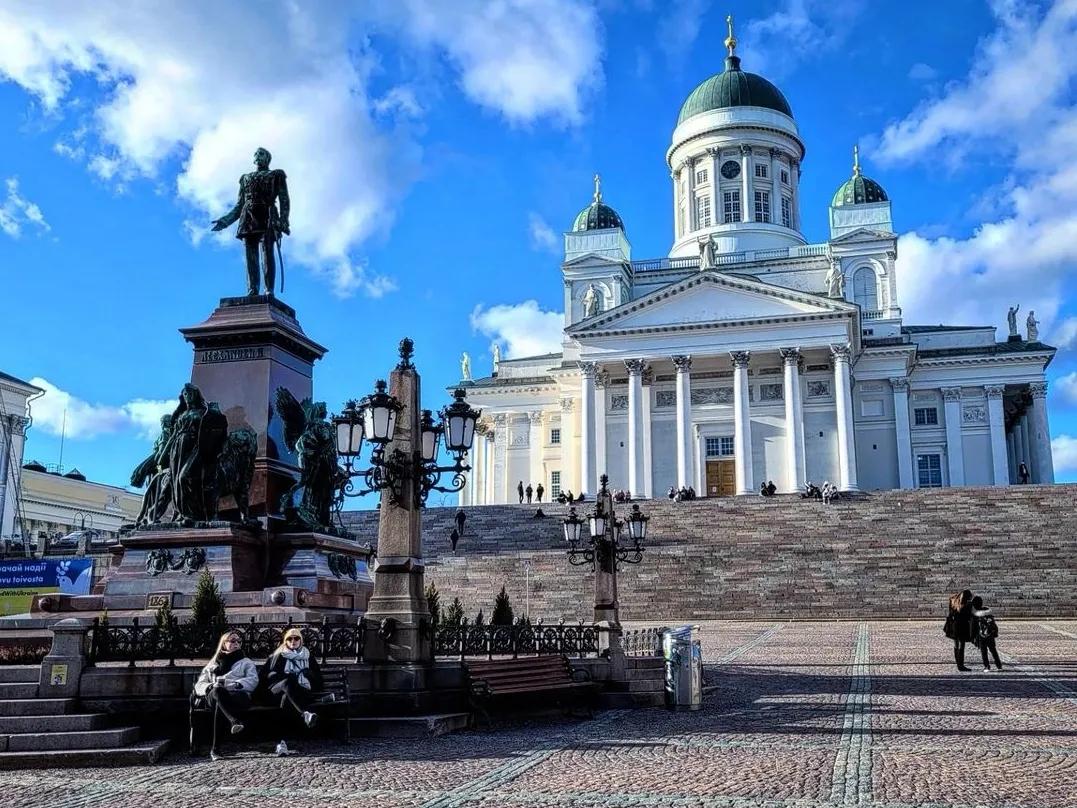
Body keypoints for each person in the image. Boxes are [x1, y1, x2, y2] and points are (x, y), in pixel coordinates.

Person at [211, 147, 290, 297]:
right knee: (250, 255)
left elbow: (284, 199)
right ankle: (252, 289)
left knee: (267, 252)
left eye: (261, 154)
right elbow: (240, 204)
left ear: (267, 158)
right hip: (248, 216)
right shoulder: (245, 178)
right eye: (256, 154)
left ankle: (268, 289)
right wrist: (225, 221)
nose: (257, 156)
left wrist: (283, 221)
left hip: (267, 215)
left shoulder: (276, 175)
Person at [192, 631, 259, 758]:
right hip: (214, 694)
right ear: (223, 644)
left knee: (220, 703)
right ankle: (234, 721)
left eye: (239, 641)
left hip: (236, 695)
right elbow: (199, 684)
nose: (237, 644)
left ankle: (215, 750)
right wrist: (211, 686)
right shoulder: (213, 663)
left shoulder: (246, 661)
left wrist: (235, 684)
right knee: (218, 691)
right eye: (233, 641)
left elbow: (253, 680)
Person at [263, 628, 323, 729]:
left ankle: (286, 733)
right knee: (288, 681)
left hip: (300, 691)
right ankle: (305, 714)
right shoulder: (278, 656)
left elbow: (319, 681)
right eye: (289, 639)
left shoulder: (308, 657)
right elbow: (266, 677)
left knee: (286, 698)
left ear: (301, 640)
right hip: (277, 690)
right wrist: (285, 675)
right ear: (285, 641)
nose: (293, 641)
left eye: (296, 638)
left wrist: (309, 674)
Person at [971, 596, 1003, 671]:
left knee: (984, 652)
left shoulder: (975, 614)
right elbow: (993, 623)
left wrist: (973, 637)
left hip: (981, 636)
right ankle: (999, 665)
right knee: (993, 651)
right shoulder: (988, 612)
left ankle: (986, 666)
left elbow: (973, 627)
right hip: (990, 634)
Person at [946, 589, 975, 672]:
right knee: (962, 645)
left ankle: (958, 663)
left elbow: (950, 613)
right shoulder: (967, 604)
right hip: (963, 626)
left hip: (954, 625)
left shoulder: (953, 601)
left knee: (956, 645)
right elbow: (969, 616)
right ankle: (961, 665)